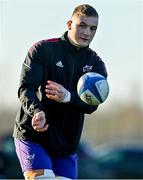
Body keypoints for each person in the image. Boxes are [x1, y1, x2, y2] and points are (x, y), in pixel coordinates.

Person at [13, 4, 108, 180]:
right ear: (69, 24)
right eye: (82, 25)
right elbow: (26, 88)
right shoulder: (42, 50)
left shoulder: (96, 64)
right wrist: (37, 112)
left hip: (66, 145)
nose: (87, 32)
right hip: (34, 137)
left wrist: (68, 96)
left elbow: (92, 106)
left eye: (93, 28)